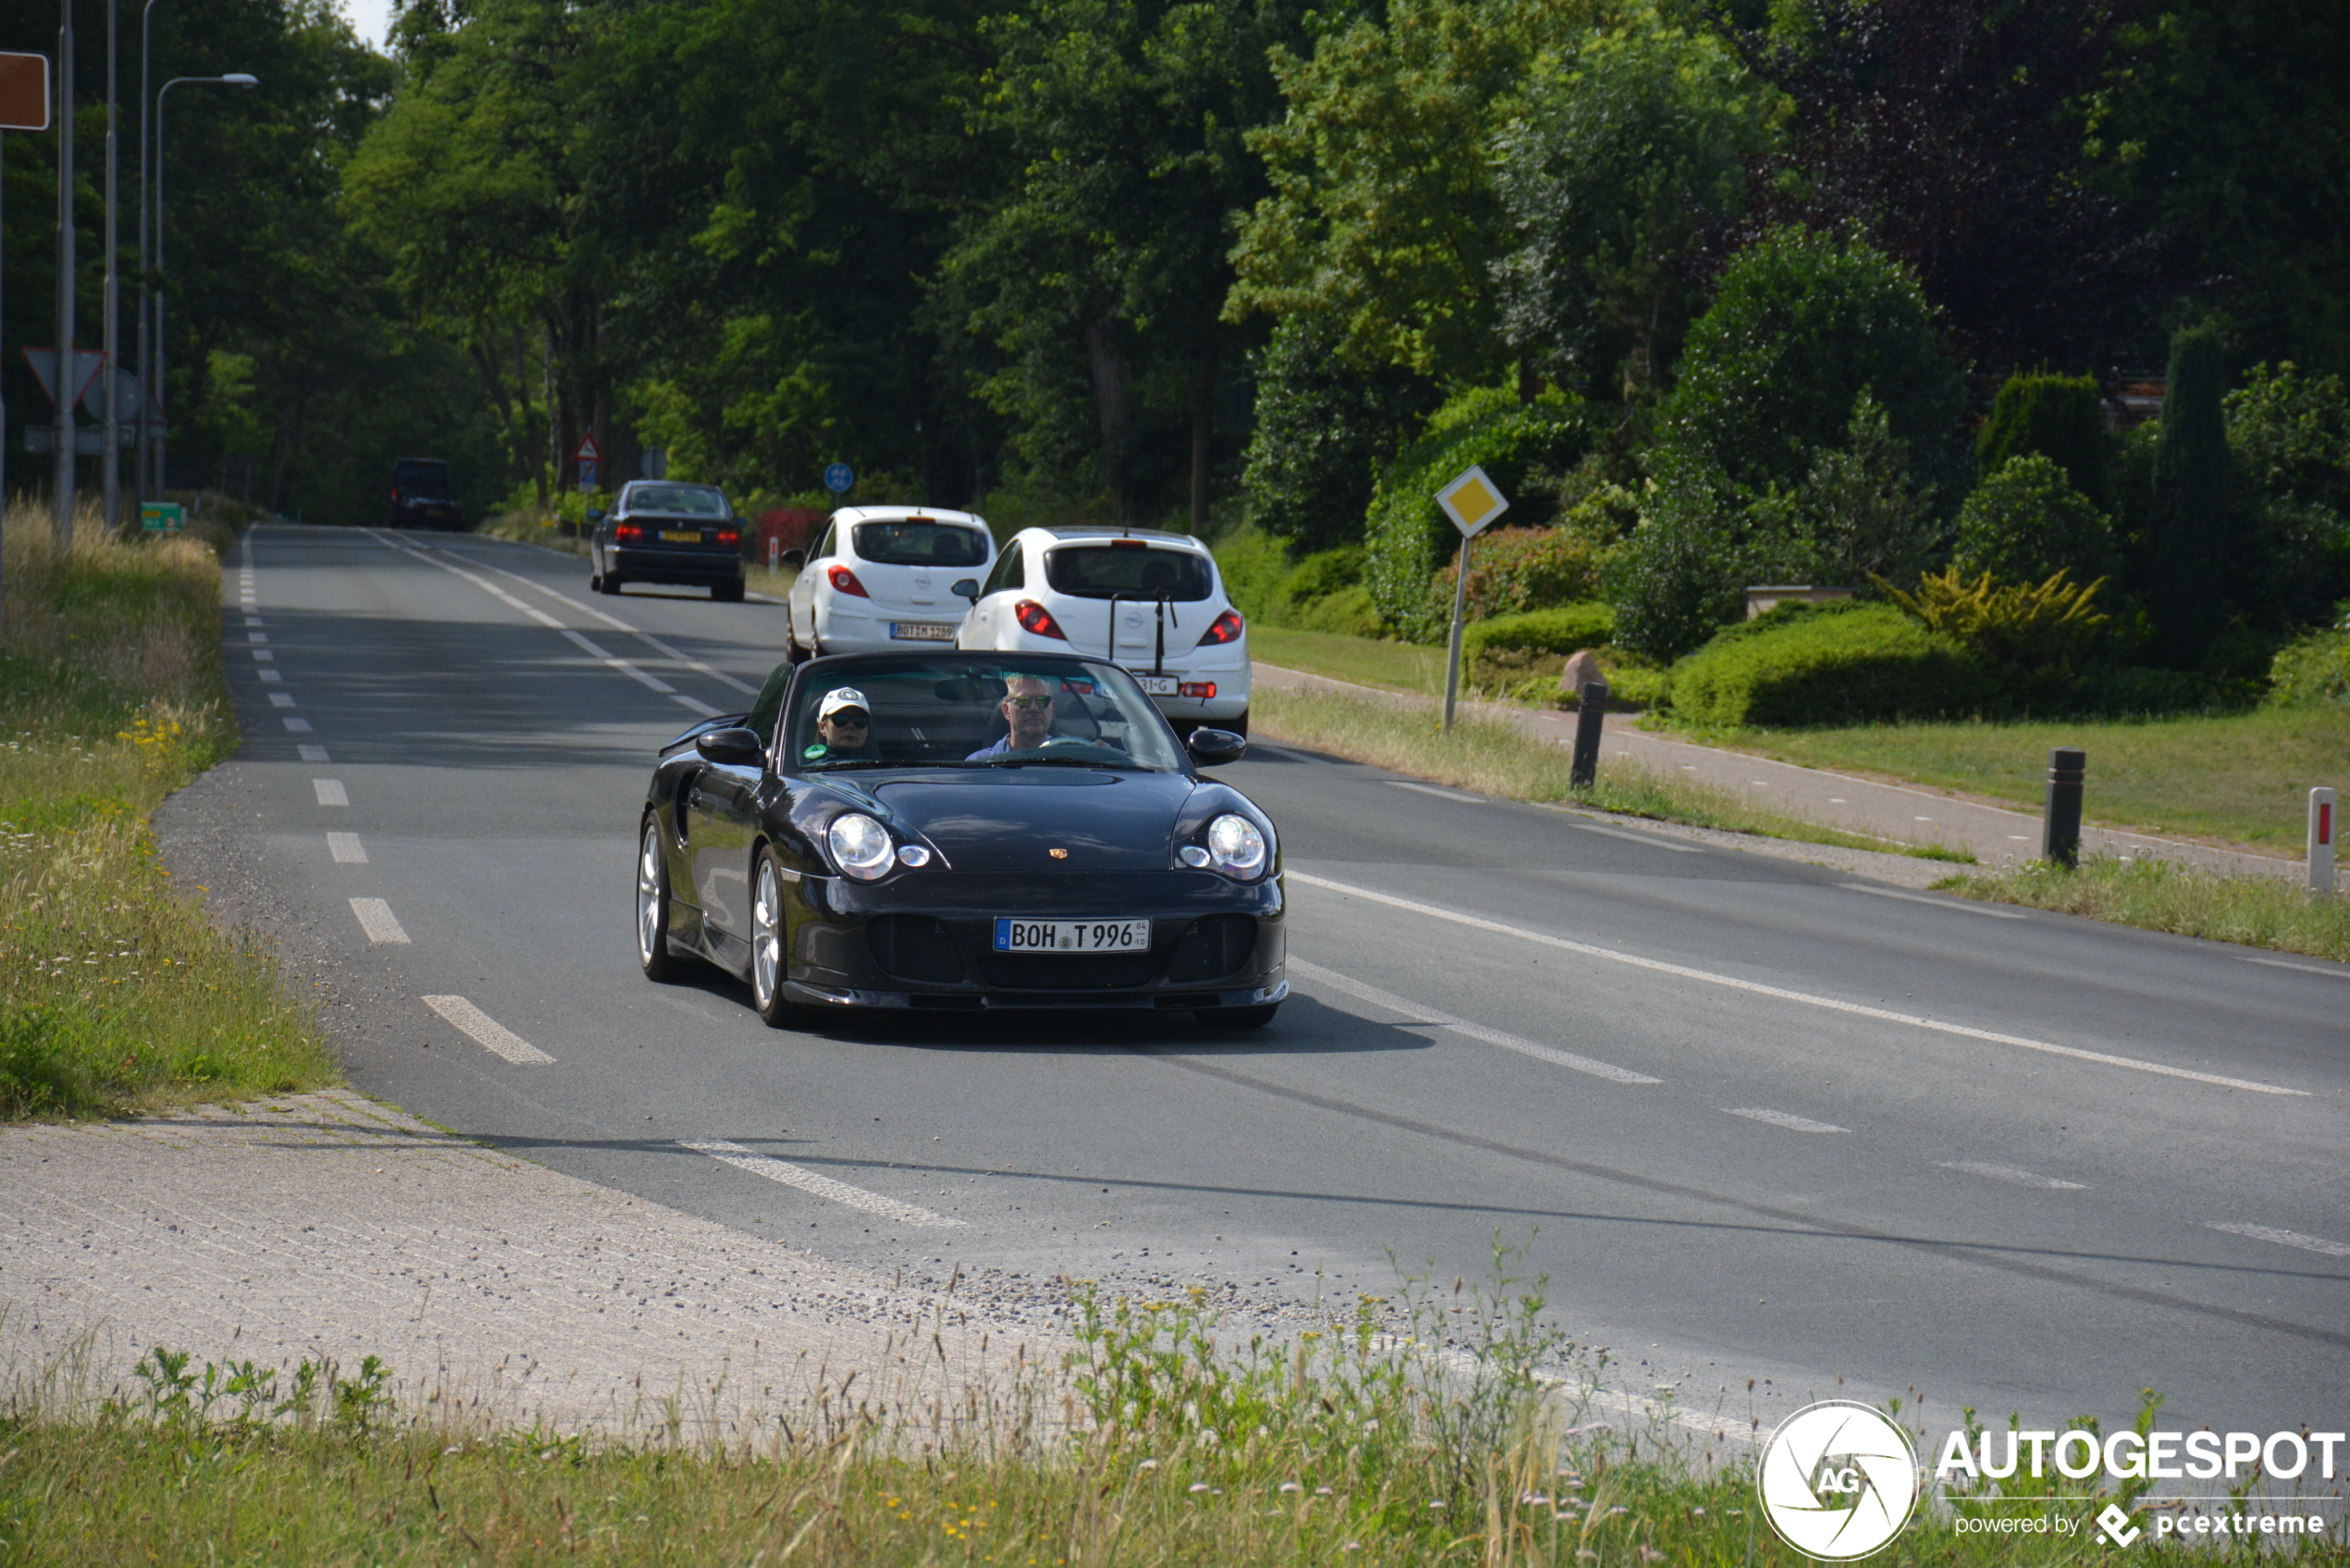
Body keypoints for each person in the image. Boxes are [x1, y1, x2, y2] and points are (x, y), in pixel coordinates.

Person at [966, 674, 1058, 759]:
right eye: (1023, 701)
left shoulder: (1070, 763)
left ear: (1052, 709)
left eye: (1042, 700)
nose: (1034, 708)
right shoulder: (978, 764)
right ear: (1007, 711)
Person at [800, 686, 874, 762]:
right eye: (840, 718)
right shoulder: (807, 772)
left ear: (867, 729)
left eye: (860, 719)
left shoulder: (881, 770)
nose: (850, 725)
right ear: (822, 727)